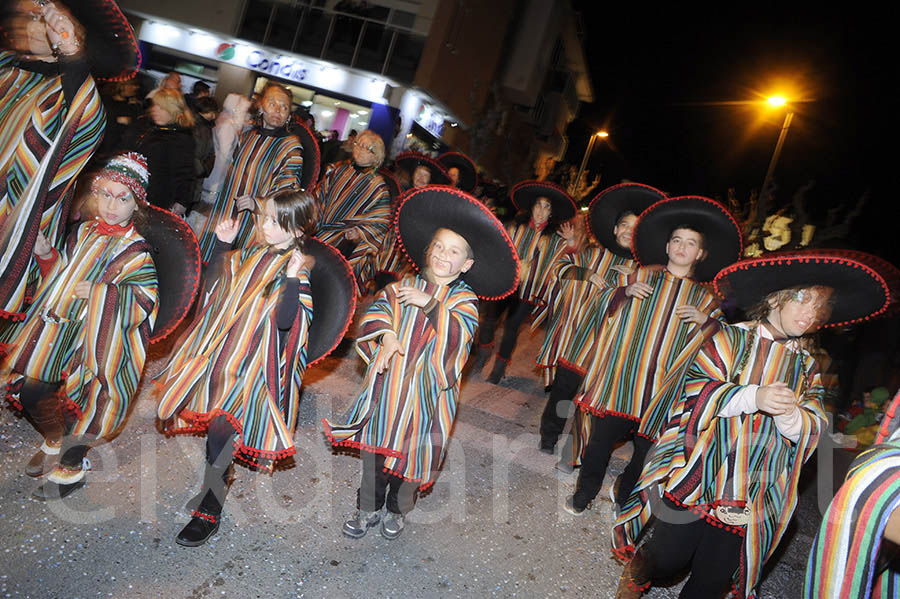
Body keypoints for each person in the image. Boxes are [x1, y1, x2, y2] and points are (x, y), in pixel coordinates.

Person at [613, 249, 891, 599]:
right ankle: (638, 573)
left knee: (712, 581)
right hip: (702, 472)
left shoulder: (808, 368)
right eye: (802, 299)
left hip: (753, 490)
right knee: (668, 559)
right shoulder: (731, 338)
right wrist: (752, 398)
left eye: (817, 306)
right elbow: (697, 390)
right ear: (775, 298)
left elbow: (817, 423)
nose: (809, 313)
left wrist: (792, 417)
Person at [156, 188, 355, 547]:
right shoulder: (248, 255)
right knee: (217, 436)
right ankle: (218, 477)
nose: (262, 225)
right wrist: (220, 245)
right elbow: (211, 290)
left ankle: (209, 510)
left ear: (296, 230)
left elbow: (285, 322)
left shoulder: (297, 270)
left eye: (272, 221)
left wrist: (293, 280)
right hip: (222, 357)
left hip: (255, 370)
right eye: (263, 216)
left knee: (219, 431)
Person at [324, 185, 519, 539]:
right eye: (440, 246)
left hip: (427, 399)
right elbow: (377, 313)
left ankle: (397, 510)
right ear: (428, 250)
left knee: (410, 458)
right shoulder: (404, 283)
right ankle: (367, 508)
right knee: (376, 456)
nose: (445, 254)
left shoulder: (465, 300)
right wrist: (386, 336)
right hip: (388, 391)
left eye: (455, 251)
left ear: (467, 264)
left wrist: (429, 305)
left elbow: (459, 337)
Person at [565, 196, 742, 515]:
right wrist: (622, 293)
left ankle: (625, 497)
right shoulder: (639, 278)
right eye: (677, 240)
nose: (682, 247)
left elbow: (728, 345)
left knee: (646, 453)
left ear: (700, 253)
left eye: (690, 243)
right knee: (600, 441)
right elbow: (597, 307)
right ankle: (585, 491)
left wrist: (708, 322)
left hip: (664, 392)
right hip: (623, 382)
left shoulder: (707, 299)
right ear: (667, 246)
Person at [0, 153, 160, 499]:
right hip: (60, 327)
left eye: (122, 198)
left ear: (137, 204)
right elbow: (62, 276)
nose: (110, 205)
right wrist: (46, 254)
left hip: (98, 340)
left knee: (84, 405)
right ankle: (54, 439)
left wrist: (103, 294)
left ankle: (72, 469)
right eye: (104, 194)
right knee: (31, 390)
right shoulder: (84, 231)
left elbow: (146, 301)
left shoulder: (136, 253)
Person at [0, 0, 139, 318]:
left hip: (17, 228)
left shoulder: (69, 90)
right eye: (26, 14)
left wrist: (72, 51)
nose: (29, 23)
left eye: (39, 16)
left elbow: (88, 125)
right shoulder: (7, 70)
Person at [535, 183, 663, 455]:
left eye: (635, 227)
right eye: (625, 225)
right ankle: (549, 436)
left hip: (610, 352)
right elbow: (559, 269)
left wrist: (633, 276)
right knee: (562, 394)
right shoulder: (593, 255)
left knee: (591, 407)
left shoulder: (644, 272)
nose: (629, 231)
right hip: (578, 342)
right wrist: (587, 274)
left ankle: (575, 451)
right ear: (616, 229)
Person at [196, 83, 319, 261]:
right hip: (226, 210)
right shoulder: (247, 136)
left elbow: (287, 190)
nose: (278, 110)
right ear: (261, 106)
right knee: (210, 261)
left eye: (284, 107)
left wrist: (257, 205)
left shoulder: (290, 145)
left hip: (255, 225)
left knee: (236, 270)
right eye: (272, 103)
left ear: (288, 116)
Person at [475, 180, 576, 384]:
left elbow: (568, 263)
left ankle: (498, 369)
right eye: (538, 205)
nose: (541, 210)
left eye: (546, 207)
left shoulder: (555, 239)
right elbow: (497, 244)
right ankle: (484, 350)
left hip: (528, 292)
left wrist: (571, 242)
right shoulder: (515, 228)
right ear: (532, 207)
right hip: (505, 284)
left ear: (551, 213)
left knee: (511, 329)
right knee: (487, 322)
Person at [315, 129, 391, 294]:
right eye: (358, 144)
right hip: (320, 233)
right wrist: (315, 216)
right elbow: (320, 195)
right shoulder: (338, 169)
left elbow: (381, 222)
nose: (360, 149)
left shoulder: (377, 186)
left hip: (346, 244)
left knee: (329, 289)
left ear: (375, 156)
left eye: (366, 147)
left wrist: (359, 233)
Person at [120, 87, 195, 215]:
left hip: (153, 198)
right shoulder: (145, 124)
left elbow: (184, 173)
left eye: (161, 107)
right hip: (127, 189)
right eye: (155, 105)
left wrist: (181, 201)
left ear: (173, 111)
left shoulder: (180, 137)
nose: (155, 110)